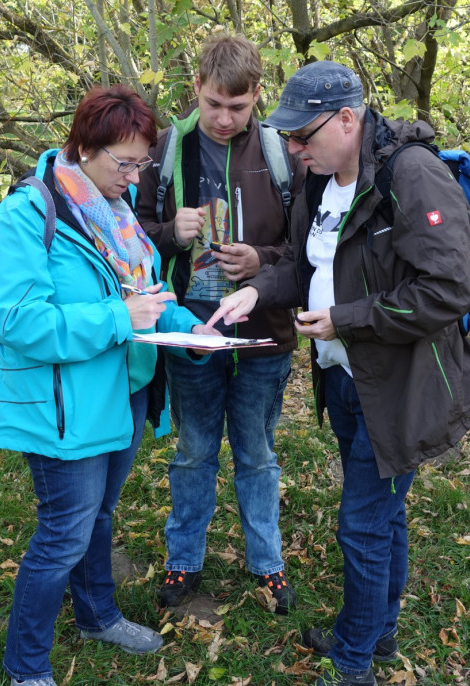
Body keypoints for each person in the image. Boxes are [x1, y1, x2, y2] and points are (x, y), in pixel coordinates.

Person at [209, 61, 470, 686]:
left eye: (302, 135)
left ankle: (354, 660)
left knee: (362, 525)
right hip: (344, 379)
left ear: (347, 119)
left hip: (402, 384)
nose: (291, 148)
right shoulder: (318, 181)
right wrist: (258, 292)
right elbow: (305, 267)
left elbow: (447, 290)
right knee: (383, 515)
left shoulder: (412, 176)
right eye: (286, 136)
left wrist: (347, 320)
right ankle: (378, 632)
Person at [0, 85, 217, 686]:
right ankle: (25, 667)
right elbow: (20, 322)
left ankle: (97, 616)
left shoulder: (115, 212)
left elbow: (146, 297)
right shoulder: (30, 215)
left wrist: (190, 327)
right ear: (85, 147)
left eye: (142, 164)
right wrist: (118, 319)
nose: (135, 179)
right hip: (67, 405)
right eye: (125, 163)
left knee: (100, 516)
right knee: (63, 534)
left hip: (124, 393)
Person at [136, 34, 304, 614]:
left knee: (257, 454)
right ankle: (183, 561)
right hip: (192, 335)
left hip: (265, 335)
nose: (226, 118)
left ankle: (268, 564)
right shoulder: (164, 151)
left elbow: (309, 250)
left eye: (239, 106)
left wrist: (263, 261)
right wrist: (169, 233)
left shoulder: (284, 155)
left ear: (258, 95)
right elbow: (129, 236)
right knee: (194, 451)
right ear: (196, 92)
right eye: (213, 105)